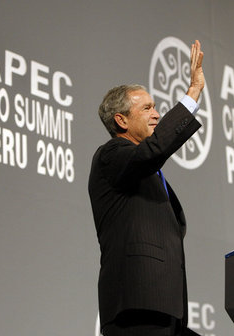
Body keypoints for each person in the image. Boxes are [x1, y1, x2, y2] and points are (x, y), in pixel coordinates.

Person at [88, 40, 206, 336]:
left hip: (166, 311)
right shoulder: (111, 155)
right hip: (136, 308)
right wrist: (192, 94)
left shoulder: (146, 170)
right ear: (121, 120)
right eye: (148, 108)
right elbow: (152, 151)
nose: (157, 114)